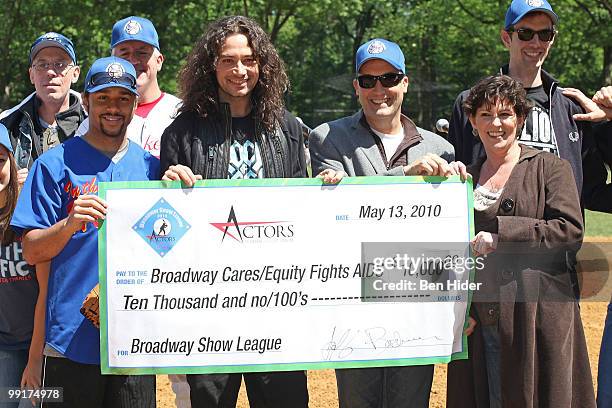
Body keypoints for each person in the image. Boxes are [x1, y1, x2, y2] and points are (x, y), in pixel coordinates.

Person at [160, 16, 308, 408]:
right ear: (212, 65)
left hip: (276, 301)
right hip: (208, 305)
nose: (240, 70)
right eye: (228, 60)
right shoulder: (181, 133)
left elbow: (304, 217)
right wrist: (168, 185)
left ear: (263, 66)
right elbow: (164, 227)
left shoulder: (288, 129)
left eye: (249, 59)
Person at [308, 38, 459, 408]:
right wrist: (405, 175)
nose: (380, 90)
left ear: (405, 82)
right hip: (354, 303)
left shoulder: (439, 149)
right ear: (356, 86)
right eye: (368, 80)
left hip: (416, 301)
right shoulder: (328, 138)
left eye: (389, 78)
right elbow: (336, 216)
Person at [10, 56, 159, 408]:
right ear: (87, 101)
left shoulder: (152, 167)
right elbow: (31, 251)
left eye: (122, 98)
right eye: (103, 98)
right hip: (68, 341)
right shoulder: (53, 164)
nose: (113, 108)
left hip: (134, 342)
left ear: (135, 105)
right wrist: (69, 224)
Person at [449, 74, 595, 408]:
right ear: (472, 122)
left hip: (538, 320)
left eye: (504, 114)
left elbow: (569, 231)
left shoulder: (551, 168)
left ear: (521, 119)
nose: (495, 123)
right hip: (483, 319)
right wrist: (460, 308)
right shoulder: (464, 180)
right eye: (485, 115)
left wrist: (504, 236)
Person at [447, 0, 605, 211]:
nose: (536, 43)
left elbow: (593, 192)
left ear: (552, 39)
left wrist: (610, 121)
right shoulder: (471, 103)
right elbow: (453, 179)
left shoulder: (572, 108)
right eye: (525, 33)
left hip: (555, 237)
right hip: (489, 237)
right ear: (506, 38)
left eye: (545, 34)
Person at [77, 16, 180, 159]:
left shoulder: (182, 112)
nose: (133, 61)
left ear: (159, 61)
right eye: (124, 53)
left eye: (142, 53)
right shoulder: (94, 121)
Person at [0, 32, 85, 183]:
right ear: (31, 75)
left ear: (75, 73)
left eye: (60, 64)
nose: (50, 72)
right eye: (42, 65)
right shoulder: (6, 125)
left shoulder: (93, 121)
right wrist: (10, 187)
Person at [0, 123, 38, 408]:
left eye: (0, 160)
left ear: (12, 163)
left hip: (41, 343)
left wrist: (36, 355)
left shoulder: (29, 210)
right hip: (5, 346)